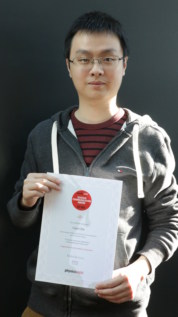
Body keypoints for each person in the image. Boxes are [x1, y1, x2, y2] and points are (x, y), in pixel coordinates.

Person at [7, 11, 178, 317]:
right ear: (69, 67)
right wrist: (25, 200)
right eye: (84, 59)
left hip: (120, 309)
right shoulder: (43, 136)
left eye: (108, 58)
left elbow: (169, 222)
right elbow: (19, 219)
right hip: (44, 308)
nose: (96, 69)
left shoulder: (149, 140)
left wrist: (140, 269)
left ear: (124, 64)